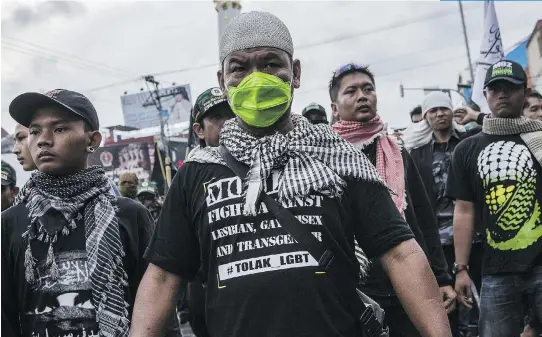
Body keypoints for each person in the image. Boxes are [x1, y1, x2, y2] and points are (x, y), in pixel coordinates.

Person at [130, 11, 451, 337]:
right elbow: (161, 277)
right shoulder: (197, 173)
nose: (255, 79)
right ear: (222, 81)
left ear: (295, 73)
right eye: (239, 68)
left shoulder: (340, 159)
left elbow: (400, 254)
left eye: (271, 64)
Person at [3, 89, 154, 337]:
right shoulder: (10, 223)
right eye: (34, 131)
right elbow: (5, 317)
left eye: (59, 129)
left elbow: (154, 304)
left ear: (92, 140)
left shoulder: (129, 216)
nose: (43, 140)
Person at [330, 63, 455, 336]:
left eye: (368, 89)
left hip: (406, 284)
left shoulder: (396, 151)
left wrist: (442, 278)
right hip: (355, 289)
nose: (362, 96)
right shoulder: (326, 158)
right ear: (335, 107)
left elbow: (424, 218)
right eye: (351, 91)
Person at [448, 60, 542, 337]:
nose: (502, 94)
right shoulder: (467, 149)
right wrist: (461, 269)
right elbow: (464, 211)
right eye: (495, 88)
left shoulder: (538, 140)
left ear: (524, 94)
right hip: (496, 271)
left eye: (510, 88)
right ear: (486, 95)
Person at [409, 91, 484, 337]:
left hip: (473, 238)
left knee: (478, 300)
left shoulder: (471, 140)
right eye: (433, 110)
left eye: (444, 109)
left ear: (453, 112)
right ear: (426, 117)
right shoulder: (416, 153)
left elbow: (499, 122)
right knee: (444, 301)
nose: (440, 114)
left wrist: (475, 115)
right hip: (437, 243)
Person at [181, 87, 236, 337]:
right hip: (205, 288)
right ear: (199, 130)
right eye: (216, 118)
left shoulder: (261, 162)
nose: (226, 124)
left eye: (231, 115)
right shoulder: (189, 177)